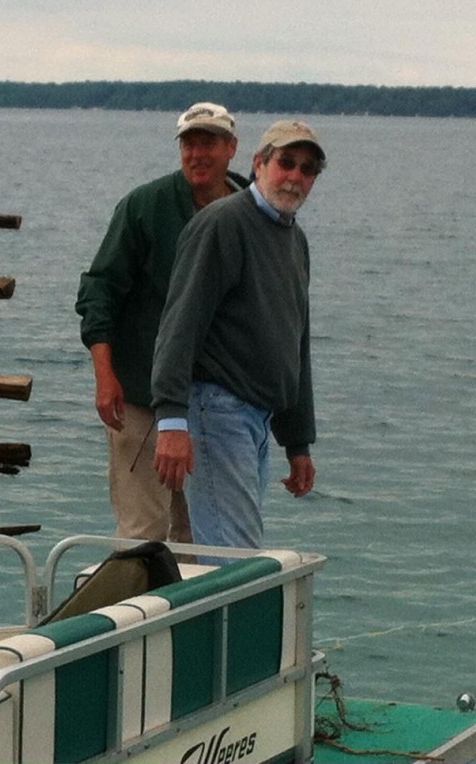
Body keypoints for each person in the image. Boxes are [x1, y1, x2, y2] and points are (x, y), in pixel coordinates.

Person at [151, 120, 326, 559]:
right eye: (286, 162)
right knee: (235, 560)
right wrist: (172, 420)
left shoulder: (294, 240)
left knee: (236, 555)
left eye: (307, 170)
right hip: (216, 412)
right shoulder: (223, 224)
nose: (295, 176)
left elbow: (295, 342)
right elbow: (179, 323)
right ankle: (223, 628)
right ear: (258, 163)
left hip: (258, 420)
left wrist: (298, 441)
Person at [76, 103, 247, 542]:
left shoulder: (253, 212)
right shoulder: (144, 206)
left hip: (218, 407)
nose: (197, 154)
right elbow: (99, 291)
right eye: (189, 143)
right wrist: (104, 377)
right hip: (140, 398)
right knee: (144, 531)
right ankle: (132, 607)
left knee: (209, 536)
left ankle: (200, 611)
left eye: (208, 142)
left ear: (232, 148)